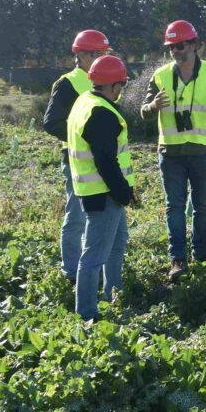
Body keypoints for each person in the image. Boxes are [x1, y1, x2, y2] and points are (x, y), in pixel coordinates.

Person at [140, 20, 206, 281]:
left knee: (203, 207)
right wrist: (152, 106)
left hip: (203, 152)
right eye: (171, 47)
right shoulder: (159, 76)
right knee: (175, 207)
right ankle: (178, 260)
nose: (176, 51)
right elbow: (144, 112)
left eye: (180, 45)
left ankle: (202, 256)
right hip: (170, 154)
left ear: (195, 45)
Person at [68, 55, 135, 321]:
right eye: (122, 86)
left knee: (117, 245)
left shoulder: (84, 101)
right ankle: (86, 314)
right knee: (94, 257)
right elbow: (106, 160)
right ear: (115, 86)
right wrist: (121, 192)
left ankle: (113, 294)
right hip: (104, 194)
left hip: (99, 192)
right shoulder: (102, 112)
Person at [42, 29, 111, 283]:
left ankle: (93, 265)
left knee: (98, 213)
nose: (102, 57)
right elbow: (51, 123)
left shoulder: (104, 81)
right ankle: (72, 271)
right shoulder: (68, 83)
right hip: (75, 157)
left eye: (105, 53)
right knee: (77, 214)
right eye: (97, 53)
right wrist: (81, 136)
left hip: (102, 157)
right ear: (81, 55)